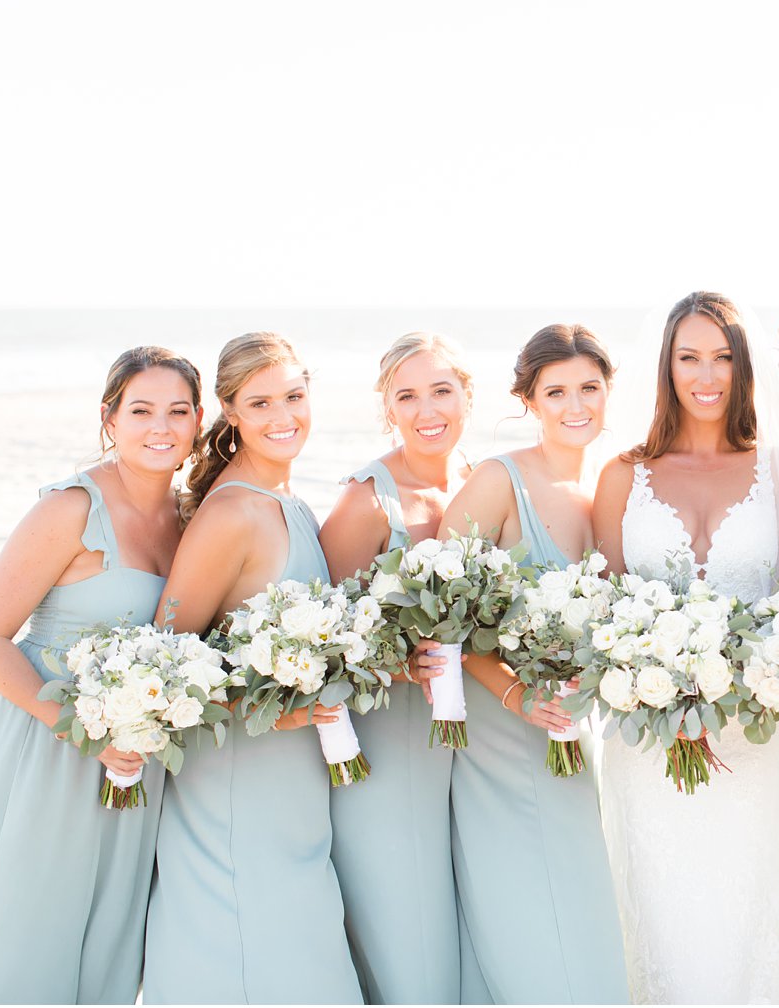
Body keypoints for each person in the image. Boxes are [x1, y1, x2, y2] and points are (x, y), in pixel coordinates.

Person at [0, 347, 202, 1004]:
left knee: (105, 940)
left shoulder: (189, 519)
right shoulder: (69, 509)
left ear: (199, 420)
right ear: (109, 419)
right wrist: (77, 728)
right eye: (141, 410)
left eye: (178, 411)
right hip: (42, 747)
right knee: (30, 930)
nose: (161, 427)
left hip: (131, 759)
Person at [590, 291, 779, 1004]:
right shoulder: (623, 475)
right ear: (666, 367)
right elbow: (605, 613)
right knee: (659, 913)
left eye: (722, 357)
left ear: (746, 367)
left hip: (755, 737)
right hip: (649, 743)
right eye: (689, 357)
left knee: (753, 915)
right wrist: (655, 684)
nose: (707, 374)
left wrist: (743, 686)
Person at [142, 332, 362, 1004]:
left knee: (297, 952)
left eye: (293, 396)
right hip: (237, 778)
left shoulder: (289, 501)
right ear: (230, 413)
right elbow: (169, 667)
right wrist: (285, 708)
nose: (282, 415)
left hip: (294, 777)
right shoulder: (231, 513)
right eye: (260, 403)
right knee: (252, 952)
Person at [416, 323, 629, 1003]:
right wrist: (513, 696)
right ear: (528, 399)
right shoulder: (498, 479)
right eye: (556, 391)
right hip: (508, 728)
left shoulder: (615, 479)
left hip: (579, 723)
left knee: (580, 893)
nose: (576, 405)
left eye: (589, 388)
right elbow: (440, 618)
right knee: (540, 902)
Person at [318, 332, 472, 1003]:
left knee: (459, 920)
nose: (426, 409)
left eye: (441, 389)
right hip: (391, 742)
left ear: (468, 394)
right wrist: (395, 661)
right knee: (407, 929)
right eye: (406, 396)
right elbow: (324, 634)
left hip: (470, 744)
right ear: (388, 409)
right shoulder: (367, 498)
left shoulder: (480, 482)